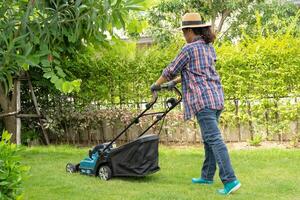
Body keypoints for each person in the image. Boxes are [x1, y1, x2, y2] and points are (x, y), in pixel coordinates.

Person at [150, 13, 241, 195]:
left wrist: (156, 84)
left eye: (184, 32)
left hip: (203, 101)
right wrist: (174, 83)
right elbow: (196, 72)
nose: (184, 36)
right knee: (209, 139)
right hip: (216, 98)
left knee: (214, 139)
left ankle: (230, 180)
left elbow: (170, 70)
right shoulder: (208, 47)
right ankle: (207, 176)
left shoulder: (188, 49)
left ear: (190, 30)